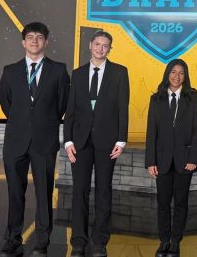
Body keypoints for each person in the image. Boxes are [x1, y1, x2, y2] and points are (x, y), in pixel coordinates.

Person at [0, 22, 71, 257]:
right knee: (14, 192)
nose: (35, 41)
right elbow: (7, 104)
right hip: (15, 141)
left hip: (44, 141)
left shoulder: (59, 70)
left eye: (40, 37)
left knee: (44, 192)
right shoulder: (9, 71)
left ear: (46, 42)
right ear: (23, 42)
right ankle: (12, 238)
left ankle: (42, 241)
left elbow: (62, 105)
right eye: (30, 37)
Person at [63, 30, 130, 257]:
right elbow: (70, 111)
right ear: (90, 45)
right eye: (98, 44)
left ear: (110, 48)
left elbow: (123, 108)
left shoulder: (120, 72)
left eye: (106, 45)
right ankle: (78, 241)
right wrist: (68, 140)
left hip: (107, 141)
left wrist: (121, 139)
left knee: (104, 190)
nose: (101, 48)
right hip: (80, 142)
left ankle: (100, 240)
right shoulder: (78, 73)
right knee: (79, 191)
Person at [145, 59, 197, 257]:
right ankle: (164, 240)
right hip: (161, 160)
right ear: (167, 74)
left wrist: (194, 157)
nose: (177, 76)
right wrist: (150, 161)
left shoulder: (193, 98)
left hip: (185, 159)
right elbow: (151, 132)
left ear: (185, 76)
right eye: (173, 72)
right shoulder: (157, 98)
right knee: (162, 202)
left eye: (181, 73)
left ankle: (176, 241)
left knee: (180, 202)